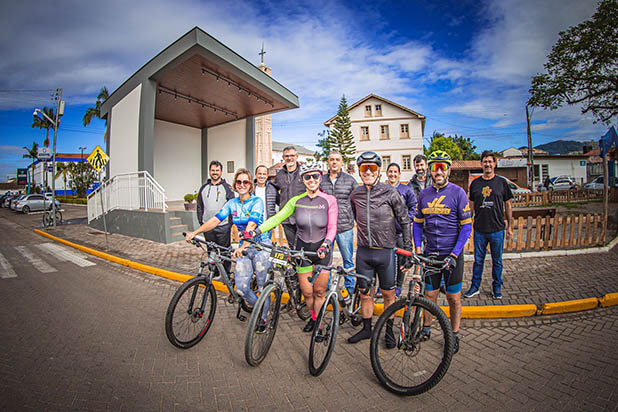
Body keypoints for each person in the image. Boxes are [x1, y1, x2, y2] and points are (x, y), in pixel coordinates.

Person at [250, 162, 338, 333]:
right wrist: (256, 231)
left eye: (315, 176)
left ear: (320, 178)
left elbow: (332, 227)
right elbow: (277, 218)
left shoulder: (329, 200)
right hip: (302, 251)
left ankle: (319, 325)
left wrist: (327, 244)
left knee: (319, 292)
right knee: (307, 293)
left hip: (322, 252)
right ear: (303, 180)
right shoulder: (295, 201)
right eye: (307, 177)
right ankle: (314, 318)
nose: (311, 180)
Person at [186, 169, 272, 318]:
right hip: (244, 247)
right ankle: (259, 309)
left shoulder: (257, 201)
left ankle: (263, 318)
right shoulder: (232, 203)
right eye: (239, 182)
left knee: (261, 285)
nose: (242, 185)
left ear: (250, 185)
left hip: (260, 246)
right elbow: (215, 220)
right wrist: (195, 232)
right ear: (235, 185)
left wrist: (244, 245)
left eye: (246, 182)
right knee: (241, 289)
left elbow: (251, 225)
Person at [347, 152, 412, 348]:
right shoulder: (355, 194)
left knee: (388, 294)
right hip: (364, 253)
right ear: (359, 171)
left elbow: (405, 220)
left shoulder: (390, 193)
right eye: (364, 168)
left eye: (372, 168)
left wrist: (408, 251)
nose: (368, 172)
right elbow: (353, 216)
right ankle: (367, 329)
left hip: (386, 252)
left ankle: (389, 330)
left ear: (378, 171)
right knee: (365, 293)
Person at [413, 151, 471, 354]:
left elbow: (466, 228)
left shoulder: (458, 193)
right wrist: (418, 248)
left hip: (452, 255)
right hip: (431, 255)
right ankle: (427, 328)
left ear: (448, 170)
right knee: (430, 295)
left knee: (453, 298)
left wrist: (454, 255)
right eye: (435, 166)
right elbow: (417, 224)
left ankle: (454, 334)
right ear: (429, 170)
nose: (438, 171)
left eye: (442, 167)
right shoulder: (424, 194)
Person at [464, 151, 514, 300]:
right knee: (478, 260)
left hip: (497, 229)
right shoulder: (476, 184)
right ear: (481, 164)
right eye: (485, 161)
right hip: (479, 229)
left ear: (495, 163)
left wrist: (510, 226)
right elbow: (471, 206)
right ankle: (475, 287)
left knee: (497, 261)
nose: (487, 164)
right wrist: (468, 226)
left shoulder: (501, 183)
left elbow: (508, 205)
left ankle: (497, 287)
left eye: (490, 161)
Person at [319, 151, 358, 295]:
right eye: (331, 160)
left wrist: (353, 219)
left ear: (342, 163)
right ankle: (326, 288)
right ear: (328, 162)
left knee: (348, 260)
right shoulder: (321, 180)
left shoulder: (350, 180)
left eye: (337, 160)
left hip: (344, 227)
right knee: (326, 261)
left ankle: (350, 289)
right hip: (326, 228)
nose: (334, 162)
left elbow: (357, 201)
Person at [196, 160, 235, 273]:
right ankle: (214, 272)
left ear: (221, 172)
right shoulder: (203, 188)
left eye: (217, 170)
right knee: (211, 251)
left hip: (223, 226)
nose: (215, 172)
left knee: (224, 252)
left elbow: (232, 206)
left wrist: (229, 224)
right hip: (208, 226)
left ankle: (226, 273)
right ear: (209, 171)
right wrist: (201, 221)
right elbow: (199, 206)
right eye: (213, 170)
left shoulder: (226, 188)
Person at [385, 162, 417, 297]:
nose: (392, 174)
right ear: (387, 173)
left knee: (402, 262)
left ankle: (398, 286)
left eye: (395, 172)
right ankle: (389, 285)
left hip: (401, 234)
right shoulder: (383, 189)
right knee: (388, 261)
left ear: (399, 174)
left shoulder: (406, 190)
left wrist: (404, 219)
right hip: (386, 234)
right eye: (390, 171)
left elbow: (413, 208)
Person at [272, 146, 306, 248]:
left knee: (304, 246)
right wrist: (282, 204)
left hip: (302, 216)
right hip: (287, 219)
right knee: (292, 247)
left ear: (297, 156)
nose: (289, 158)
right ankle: (296, 264)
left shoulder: (303, 173)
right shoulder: (279, 175)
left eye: (292, 155)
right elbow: (275, 191)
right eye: (286, 156)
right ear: (283, 157)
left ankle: (304, 264)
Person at [253, 165, 279, 240]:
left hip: (267, 225)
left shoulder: (273, 189)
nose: (262, 176)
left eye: (264, 174)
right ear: (256, 175)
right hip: (253, 225)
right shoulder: (251, 189)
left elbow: (280, 203)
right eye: (259, 173)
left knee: (266, 248)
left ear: (267, 175)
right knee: (252, 248)